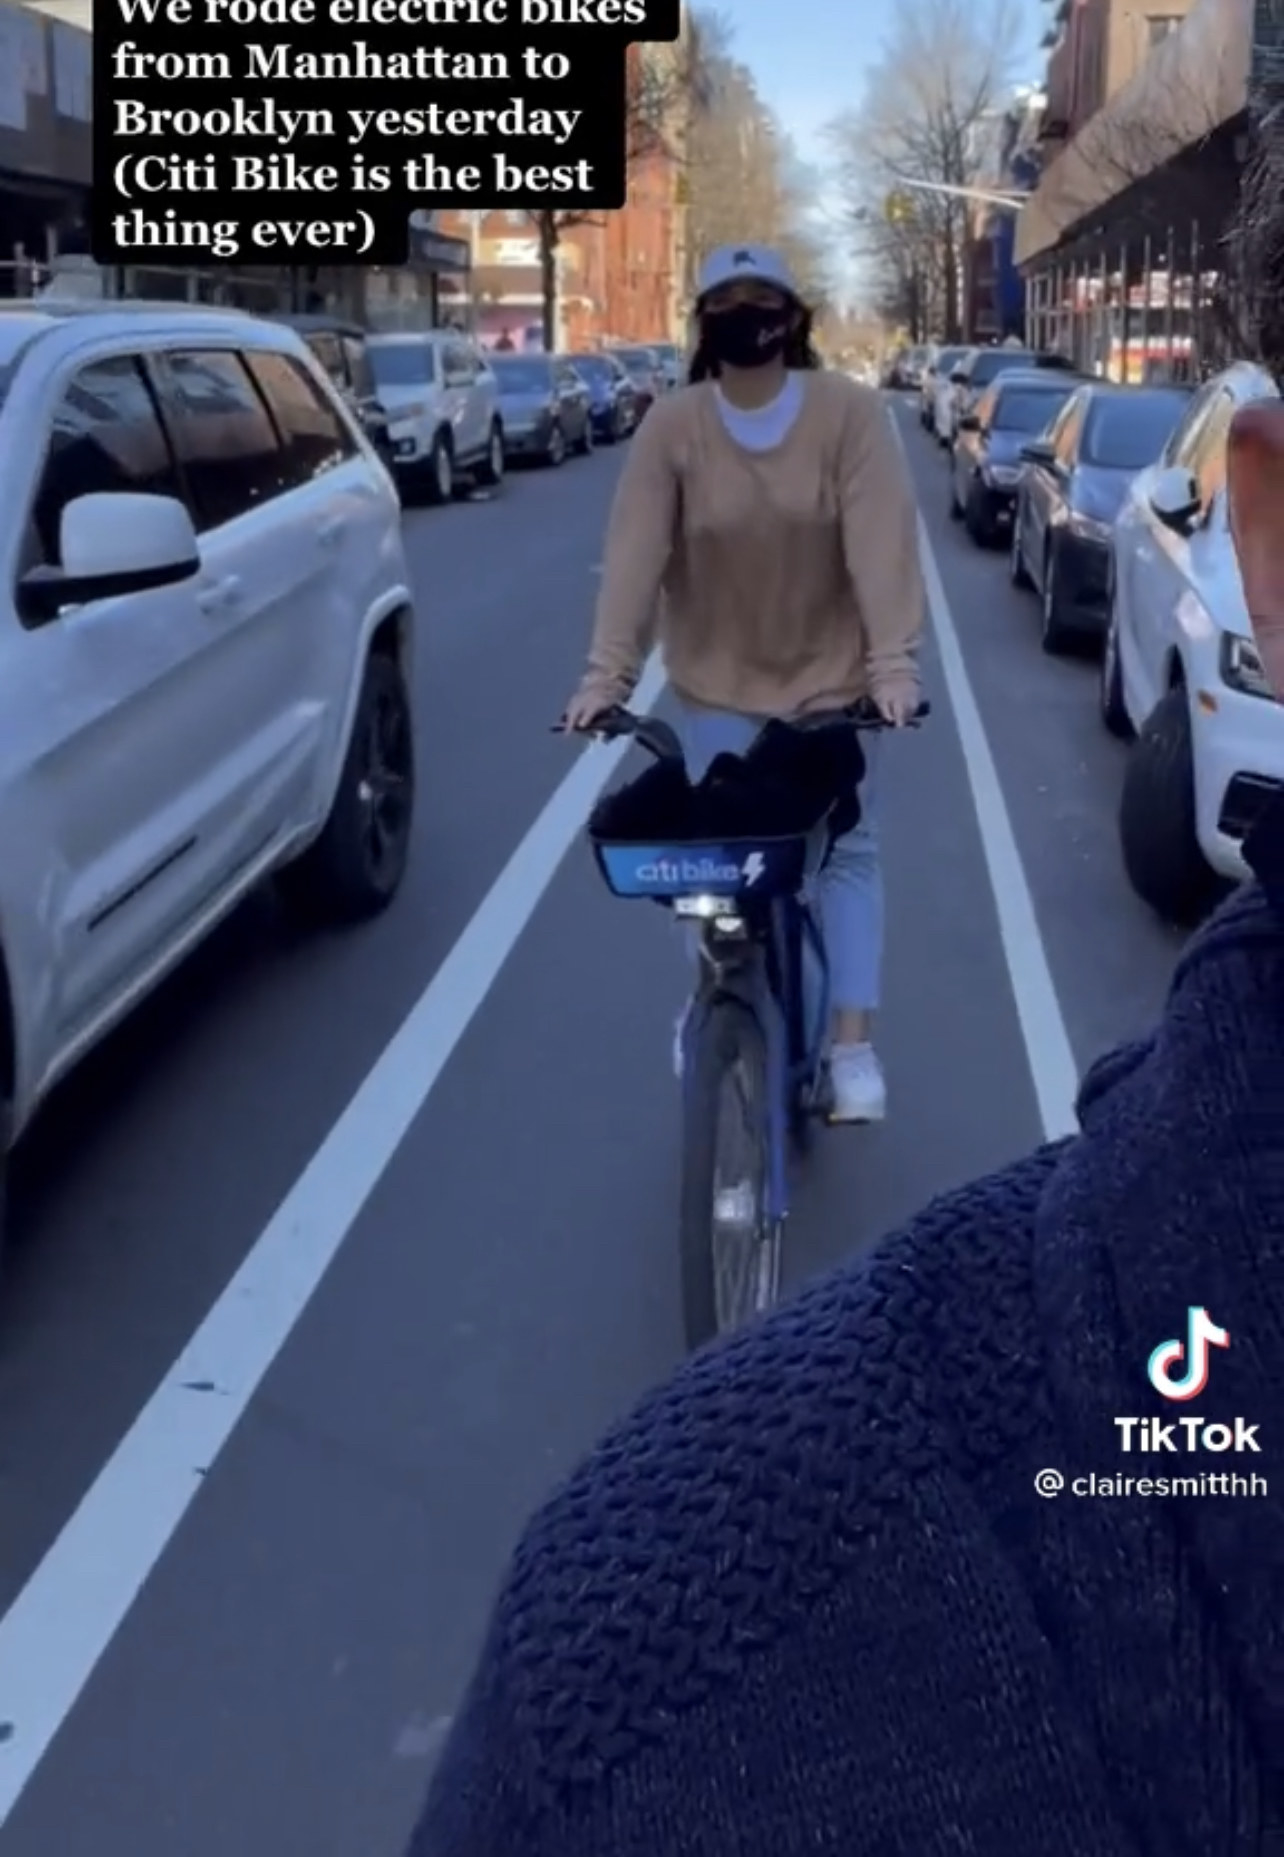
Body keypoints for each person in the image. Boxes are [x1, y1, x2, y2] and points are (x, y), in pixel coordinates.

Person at [405, 400, 1284, 1855]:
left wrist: (613, 677)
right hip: (794, 721)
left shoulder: (643, 1662)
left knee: (763, 850)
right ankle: (851, 1044)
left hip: (718, 715)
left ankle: (758, 1027)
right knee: (843, 844)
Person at [561, 243, 924, 1123]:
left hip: (835, 690)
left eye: (762, 299)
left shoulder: (848, 415)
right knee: (711, 866)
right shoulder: (674, 427)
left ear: (793, 320)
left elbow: (880, 545)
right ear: (705, 324)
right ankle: (716, 993)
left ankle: (851, 1048)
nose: (745, 313)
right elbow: (635, 556)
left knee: (847, 852)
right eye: (726, 300)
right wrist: (605, 676)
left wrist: (893, 668)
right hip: (719, 690)